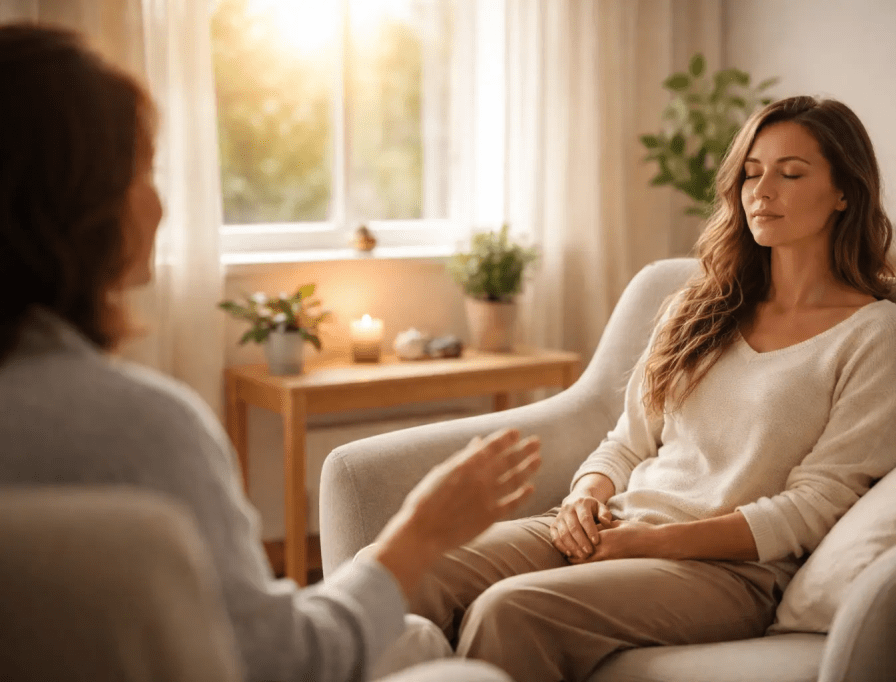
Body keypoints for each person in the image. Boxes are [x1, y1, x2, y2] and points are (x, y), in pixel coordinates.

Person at [0, 23, 541, 682]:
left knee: (417, 638)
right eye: (141, 172)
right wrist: (419, 533)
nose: (160, 203)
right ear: (73, 206)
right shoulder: (142, 430)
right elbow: (280, 662)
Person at [407, 95, 896, 681]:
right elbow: (628, 442)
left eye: (791, 173)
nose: (762, 190)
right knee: (417, 565)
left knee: (510, 609)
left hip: (730, 571)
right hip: (619, 523)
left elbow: (820, 504)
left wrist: (657, 544)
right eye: (752, 173)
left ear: (845, 193)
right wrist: (585, 497)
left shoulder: (879, 335)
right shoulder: (699, 306)